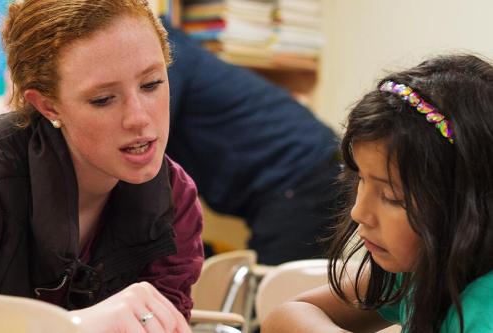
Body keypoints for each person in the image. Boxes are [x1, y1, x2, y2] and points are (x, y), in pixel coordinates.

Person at [0, 0, 203, 332]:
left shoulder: (174, 197)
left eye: (151, 84)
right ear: (48, 106)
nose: (138, 118)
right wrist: (72, 325)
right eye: (103, 99)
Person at [261, 54, 493, 332]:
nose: (359, 212)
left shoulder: (483, 313)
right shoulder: (420, 272)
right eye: (360, 178)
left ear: (473, 204)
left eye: (392, 197)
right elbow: (286, 316)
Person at [165, 23, 341, 265]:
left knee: (274, 294)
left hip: (301, 175)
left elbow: (150, 130)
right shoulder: (174, 50)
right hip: (306, 170)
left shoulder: (166, 53)